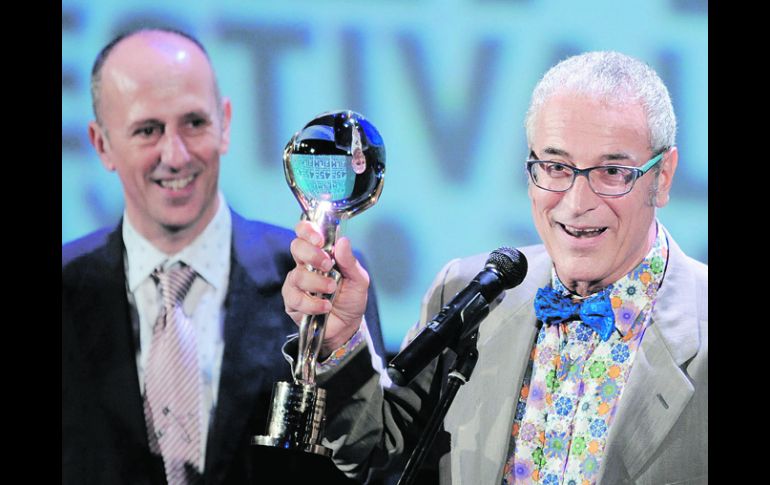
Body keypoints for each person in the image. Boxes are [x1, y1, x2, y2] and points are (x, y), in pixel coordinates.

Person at [282, 51, 707, 484]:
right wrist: (338, 339)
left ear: (664, 176)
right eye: (556, 167)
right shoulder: (469, 293)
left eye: (613, 172)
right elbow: (371, 449)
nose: (578, 204)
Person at [61, 28, 384, 485]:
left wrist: (338, 349)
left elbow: (371, 467)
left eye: (193, 123)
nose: (174, 156)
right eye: (148, 130)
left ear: (225, 123)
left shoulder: (320, 283)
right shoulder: (68, 289)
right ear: (102, 144)